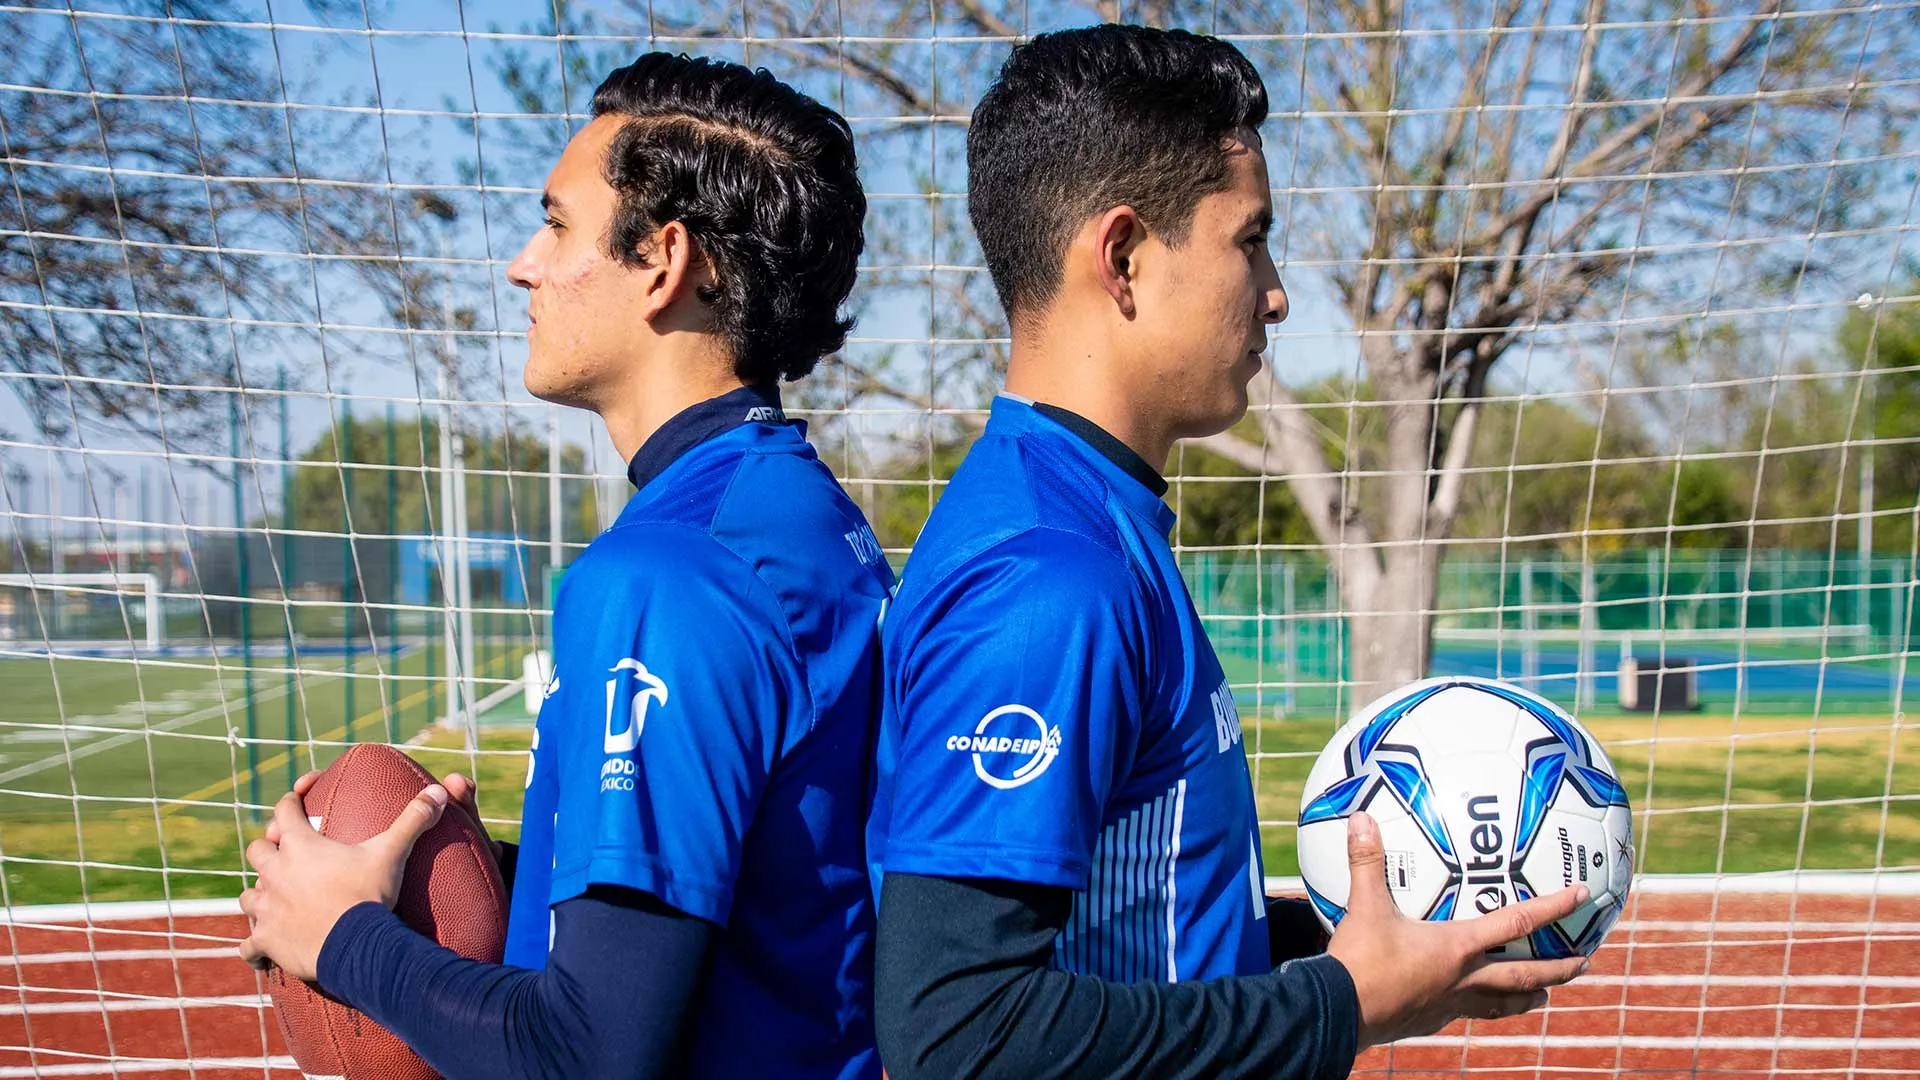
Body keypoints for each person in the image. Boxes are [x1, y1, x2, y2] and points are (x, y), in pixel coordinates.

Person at [867, 25, 1590, 1079]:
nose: (1278, 289)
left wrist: (1377, 948)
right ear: (1122, 258)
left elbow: (1142, 922)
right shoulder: (1046, 578)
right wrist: (1336, 1007)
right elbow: (960, 1035)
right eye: (1250, 240)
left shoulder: (1092, 517)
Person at [237, 52, 891, 1080]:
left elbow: (591, 1050)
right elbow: (771, 885)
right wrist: (491, 865)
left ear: (664, 263)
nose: (522, 266)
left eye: (555, 225)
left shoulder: (665, 574)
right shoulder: (809, 515)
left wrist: (341, 937)